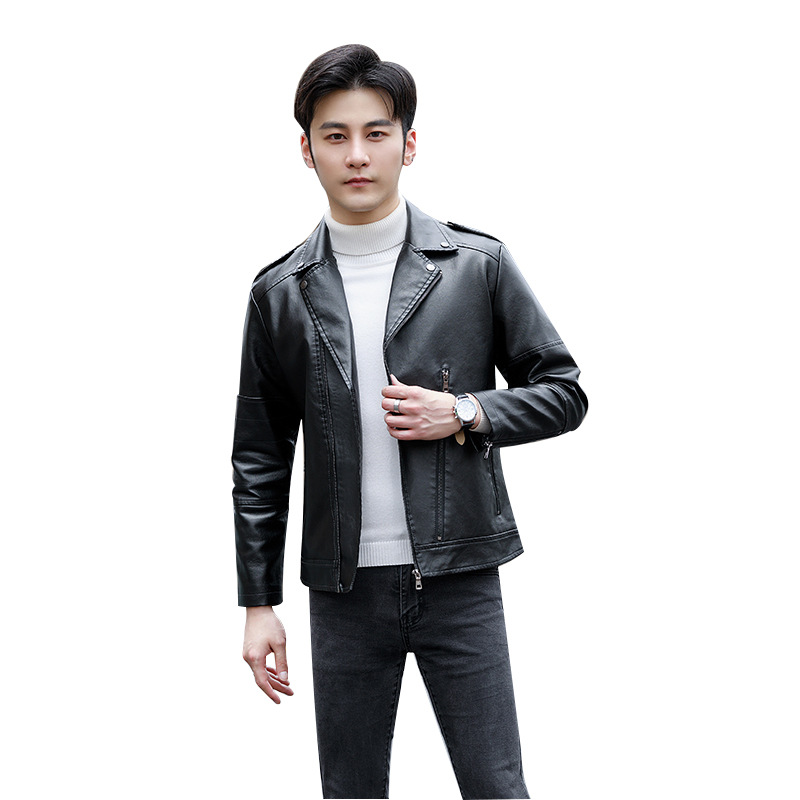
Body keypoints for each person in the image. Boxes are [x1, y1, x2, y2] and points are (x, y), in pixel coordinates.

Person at [232, 43, 588, 800]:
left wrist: (464, 411)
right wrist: (259, 603)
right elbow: (260, 456)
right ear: (307, 150)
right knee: (351, 791)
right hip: (343, 591)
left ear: (409, 142)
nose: (357, 155)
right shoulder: (279, 293)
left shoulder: (475, 265)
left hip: (460, 578)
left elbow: (563, 391)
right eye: (335, 136)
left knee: (496, 787)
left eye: (376, 133)